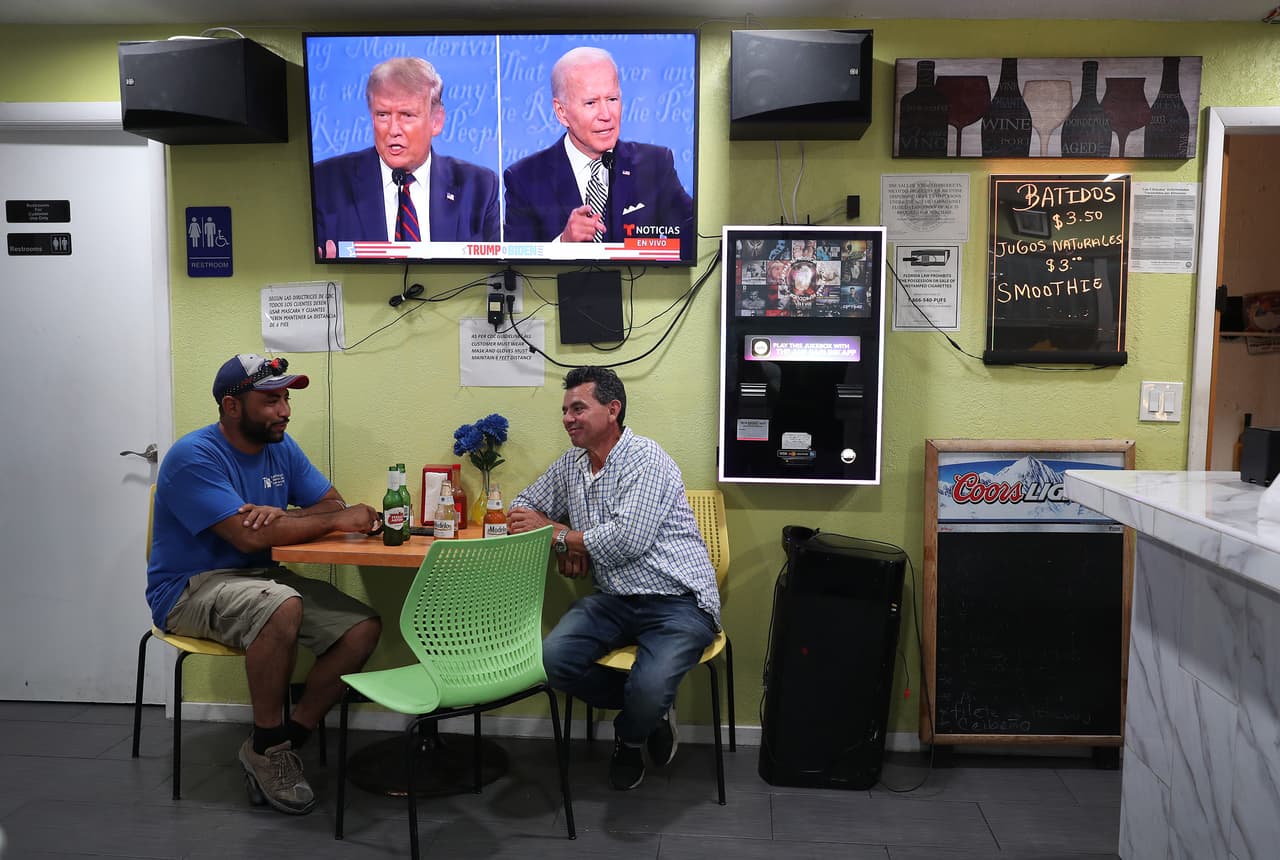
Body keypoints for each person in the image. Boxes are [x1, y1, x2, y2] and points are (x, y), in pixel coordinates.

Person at [146, 354, 383, 816]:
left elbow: (330, 503)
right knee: (281, 605)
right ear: (232, 407)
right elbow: (250, 533)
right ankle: (270, 750)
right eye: (271, 400)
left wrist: (288, 517)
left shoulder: (281, 447)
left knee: (361, 628)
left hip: (262, 580)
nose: (285, 411)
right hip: (189, 588)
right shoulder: (192, 455)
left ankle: (282, 740)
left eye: (287, 398)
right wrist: (326, 519)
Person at [507, 366, 719, 791]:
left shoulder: (647, 458)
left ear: (613, 409)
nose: (567, 417)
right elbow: (521, 508)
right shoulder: (572, 464)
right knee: (551, 662)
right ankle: (651, 710)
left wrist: (563, 536)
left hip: (677, 600)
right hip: (613, 598)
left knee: (649, 686)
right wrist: (565, 544)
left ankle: (630, 735)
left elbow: (627, 540)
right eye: (565, 409)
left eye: (578, 408)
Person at [502, 47, 693, 245]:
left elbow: (691, 236)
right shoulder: (524, 178)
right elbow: (518, 262)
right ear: (561, 112)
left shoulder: (655, 165)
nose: (606, 115)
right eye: (591, 103)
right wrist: (563, 244)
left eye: (612, 99)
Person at [312, 57, 500, 257]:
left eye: (407, 115)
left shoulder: (479, 186)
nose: (393, 130)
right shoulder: (325, 183)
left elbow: (493, 272)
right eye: (383, 115)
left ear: (436, 121)